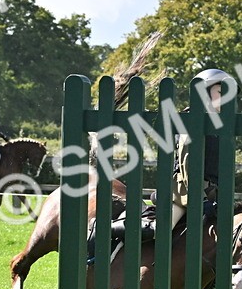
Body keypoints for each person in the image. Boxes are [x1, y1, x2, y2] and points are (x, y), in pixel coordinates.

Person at [88, 68, 229, 264]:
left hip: (214, 197)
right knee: (159, 230)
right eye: (221, 93)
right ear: (204, 92)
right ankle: (103, 228)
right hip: (182, 194)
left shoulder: (222, 126)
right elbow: (187, 162)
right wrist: (200, 198)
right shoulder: (190, 119)